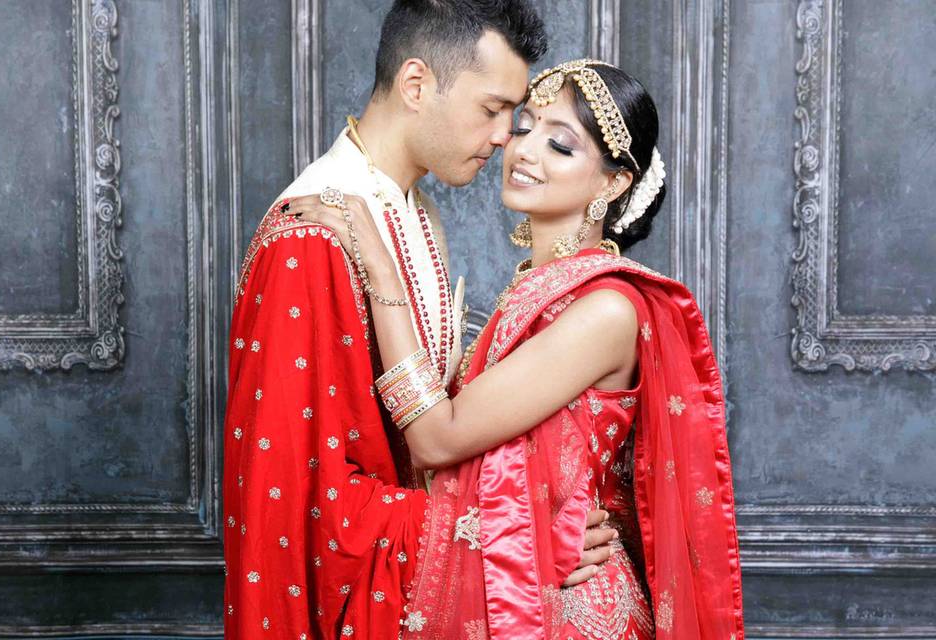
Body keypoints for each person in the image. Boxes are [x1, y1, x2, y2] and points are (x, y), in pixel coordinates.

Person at [294, 59, 745, 639]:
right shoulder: (529, 290)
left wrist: (381, 270)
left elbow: (438, 439)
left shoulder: (605, 309)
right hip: (529, 579)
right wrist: (539, 529)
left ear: (612, 183)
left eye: (560, 145)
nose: (525, 150)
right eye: (526, 126)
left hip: (572, 611)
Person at [222, 4, 614, 639]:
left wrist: (548, 511)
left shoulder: (414, 212)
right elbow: (298, 507)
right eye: (491, 110)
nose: (503, 138)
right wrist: (516, 537)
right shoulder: (311, 239)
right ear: (415, 85)